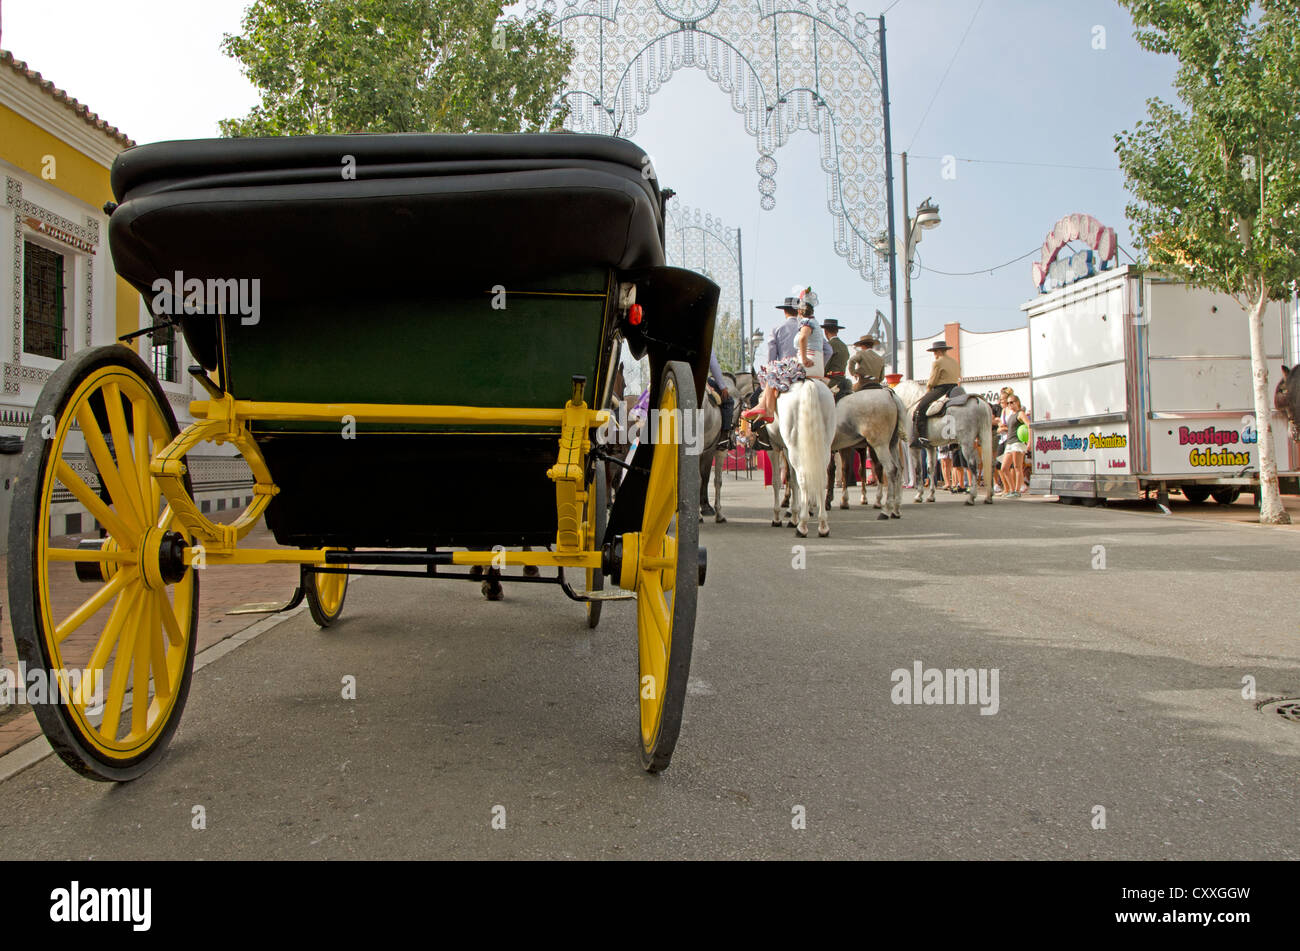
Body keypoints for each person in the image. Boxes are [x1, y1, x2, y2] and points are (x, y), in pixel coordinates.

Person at [742, 286, 832, 423]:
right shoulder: (815, 326)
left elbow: (771, 358)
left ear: (785, 311)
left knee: (770, 372)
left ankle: (764, 419)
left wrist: (805, 359)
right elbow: (828, 351)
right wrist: (819, 365)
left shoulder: (779, 329)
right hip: (815, 370)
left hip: (796, 367)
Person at [910, 340, 960, 447]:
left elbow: (932, 381)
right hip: (955, 389)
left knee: (919, 409)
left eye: (934, 352)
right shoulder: (954, 361)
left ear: (938, 351)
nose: (934, 355)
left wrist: (927, 391)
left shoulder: (937, 362)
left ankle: (921, 437)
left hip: (941, 389)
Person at [999, 393, 1031, 497]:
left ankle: (1016, 490)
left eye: (1011, 402)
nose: (1009, 405)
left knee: (1017, 467)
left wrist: (1029, 442)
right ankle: (1012, 489)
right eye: (1008, 403)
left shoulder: (1020, 413)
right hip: (1009, 442)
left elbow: (1029, 426)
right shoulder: (1011, 415)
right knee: (1004, 468)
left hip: (1017, 442)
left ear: (1017, 402)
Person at [707, 350, 734, 448]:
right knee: (728, 401)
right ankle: (724, 438)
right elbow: (713, 364)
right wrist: (722, 387)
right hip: (700, 377)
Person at [822, 318, 851, 401]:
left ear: (825, 332)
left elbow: (825, 365)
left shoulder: (828, 346)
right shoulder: (844, 345)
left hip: (831, 380)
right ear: (837, 331)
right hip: (842, 378)